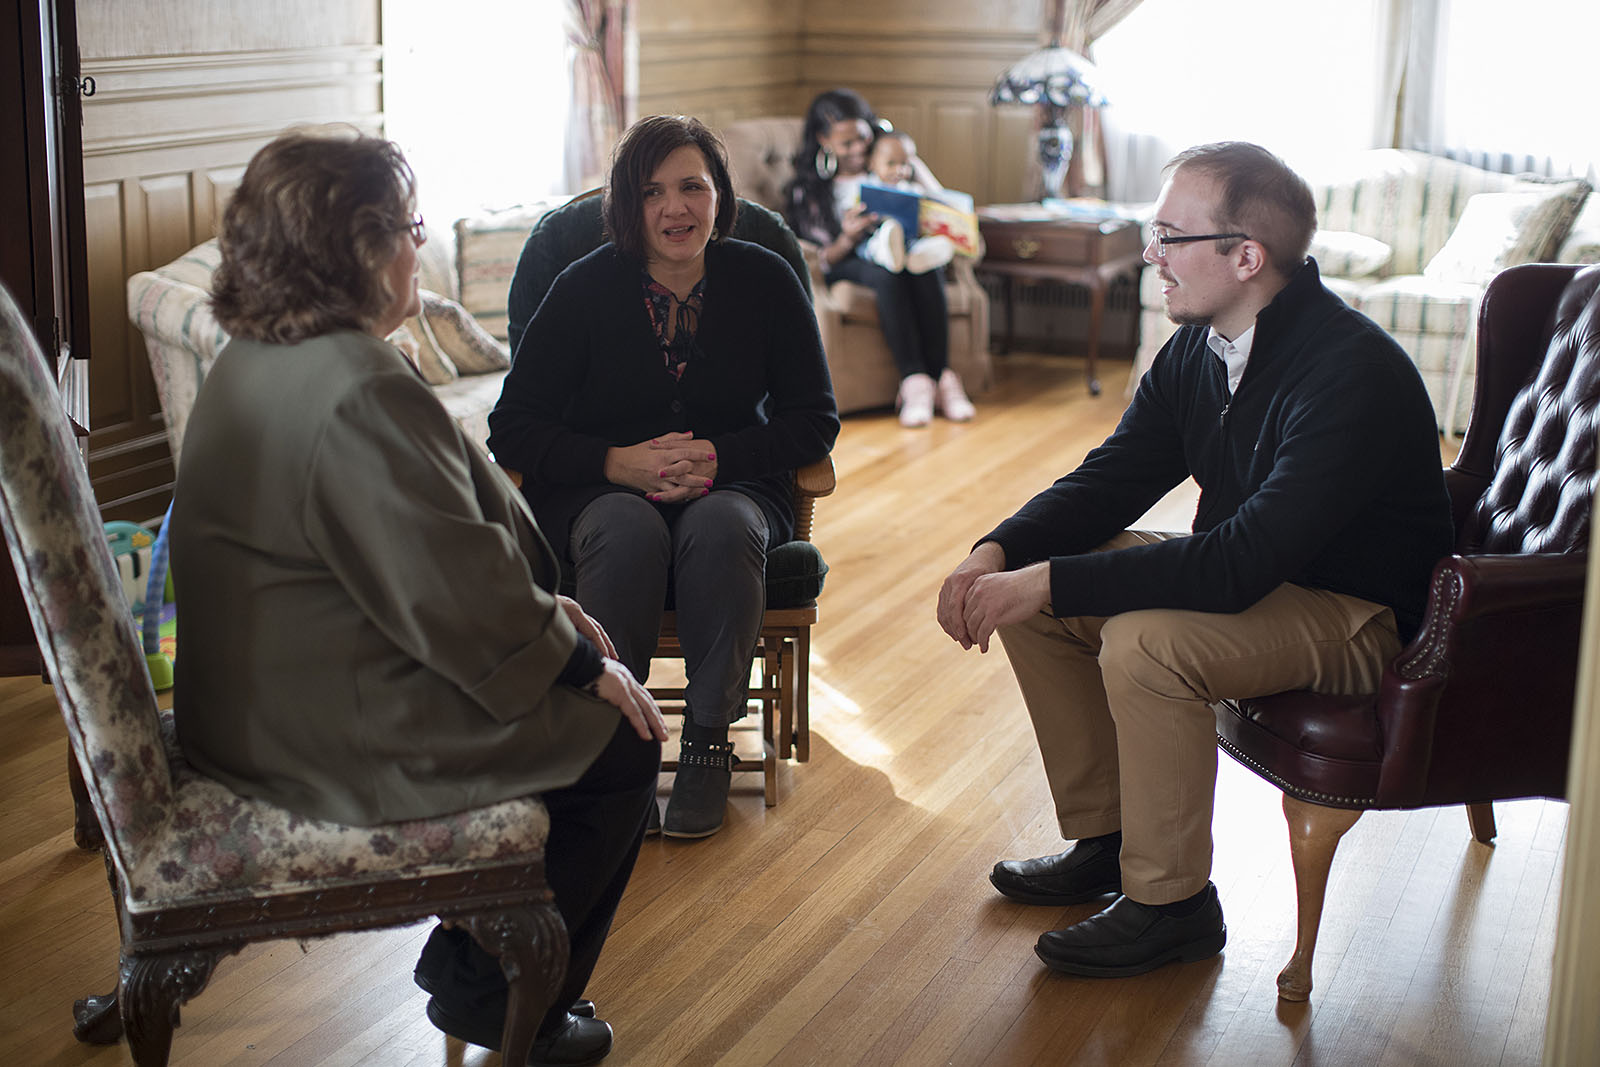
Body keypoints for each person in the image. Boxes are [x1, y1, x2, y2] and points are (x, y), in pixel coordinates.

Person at [171, 128, 666, 1065]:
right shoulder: (352, 384)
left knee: (584, 714)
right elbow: (449, 585)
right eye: (407, 227)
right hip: (322, 729)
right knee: (616, 747)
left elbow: (401, 555)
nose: (417, 244)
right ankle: (495, 990)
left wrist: (550, 616)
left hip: (266, 693)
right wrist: (576, 663)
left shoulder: (261, 353)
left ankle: (481, 956)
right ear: (358, 249)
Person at [935, 142, 1454, 979]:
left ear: (1246, 256)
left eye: (1171, 237)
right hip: (1270, 580)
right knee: (1032, 593)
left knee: (1146, 641)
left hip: (1359, 616)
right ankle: (1108, 841)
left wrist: (1047, 576)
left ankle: (1171, 904)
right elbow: (1112, 479)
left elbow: (1235, 566)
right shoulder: (1199, 349)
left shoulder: (1348, 371)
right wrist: (998, 551)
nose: (1152, 256)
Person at [488, 115, 839, 840]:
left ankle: (708, 741)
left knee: (721, 523)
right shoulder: (582, 287)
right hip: (597, 494)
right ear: (627, 204)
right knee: (626, 524)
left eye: (691, 187)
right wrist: (615, 463)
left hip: (737, 487)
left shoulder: (765, 279)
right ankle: (620, 739)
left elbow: (814, 420)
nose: (675, 208)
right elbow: (513, 426)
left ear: (719, 196)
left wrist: (720, 456)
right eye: (653, 192)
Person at [785, 88, 975, 427]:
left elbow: (940, 203)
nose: (859, 149)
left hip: (903, 254)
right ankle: (915, 382)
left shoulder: (889, 163)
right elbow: (820, 259)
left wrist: (911, 163)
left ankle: (942, 378)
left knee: (922, 266)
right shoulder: (812, 190)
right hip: (849, 260)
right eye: (847, 144)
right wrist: (848, 235)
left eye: (863, 137)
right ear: (823, 141)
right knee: (889, 273)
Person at [856, 130, 958, 277]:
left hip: (909, 240)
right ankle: (888, 255)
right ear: (872, 163)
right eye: (891, 163)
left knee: (916, 244)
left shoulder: (912, 189)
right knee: (874, 244)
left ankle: (918, 258)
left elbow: (939, 198)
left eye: (904, 164)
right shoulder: (867, 186)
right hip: (875, 237)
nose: (899, 170)